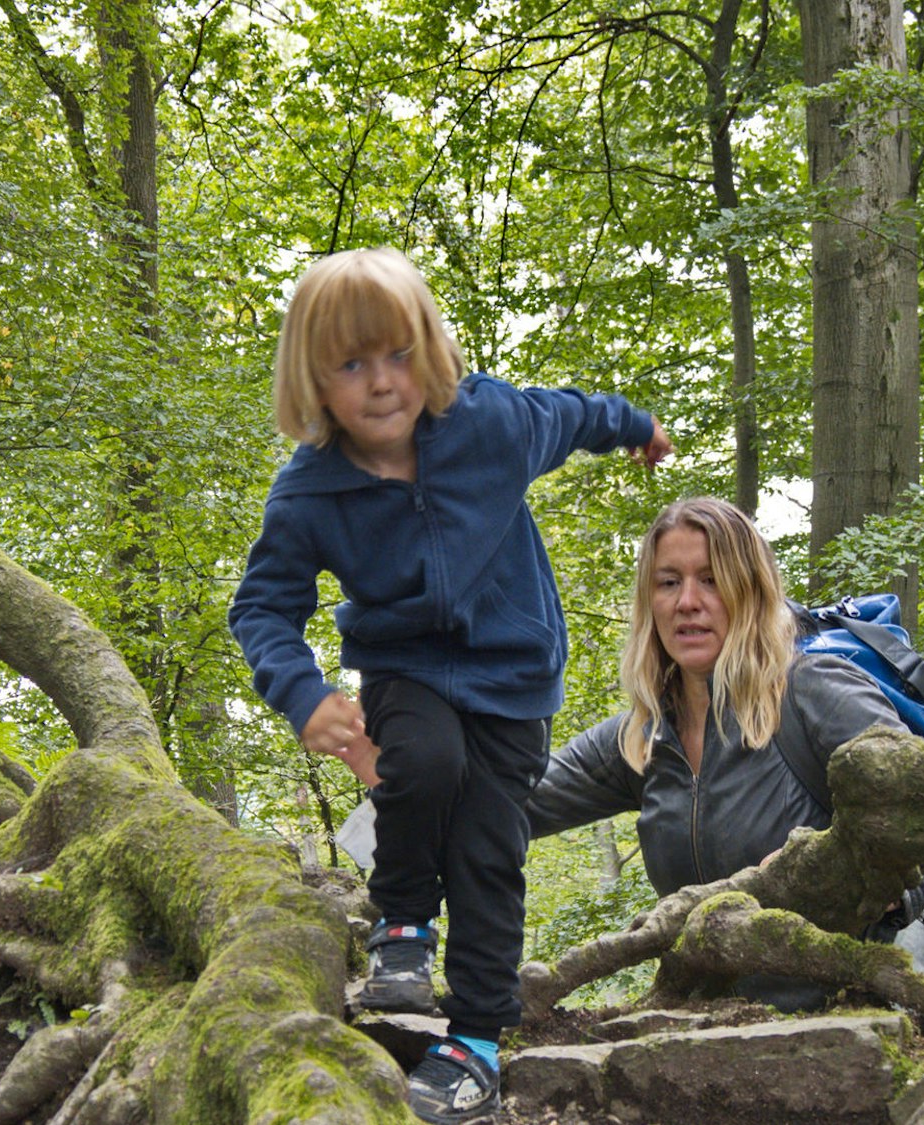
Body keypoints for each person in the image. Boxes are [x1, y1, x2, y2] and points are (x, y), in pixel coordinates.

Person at [229, 247, 671, 1125]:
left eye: (398, 354)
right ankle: (400, 924)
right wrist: (306, 693)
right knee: (420, 760)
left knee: (488, 851)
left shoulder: (490, 425)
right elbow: (263, 609)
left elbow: (572, 415)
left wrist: (636, 426)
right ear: (312, 382)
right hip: (407, 667)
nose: (382, 383)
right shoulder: (309, 493)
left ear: (431, 350)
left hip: (515, 672)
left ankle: (474, 1042)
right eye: (350, 365)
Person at [524, 496, 924, 1012]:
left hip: (881, 1006)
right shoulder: (643, 739)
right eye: (669, 582)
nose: (688, 601)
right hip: (734, 1030)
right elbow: (515, 799)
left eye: (711, 579)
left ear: (751, 591)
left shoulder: (812, 693)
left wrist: (859, 877)